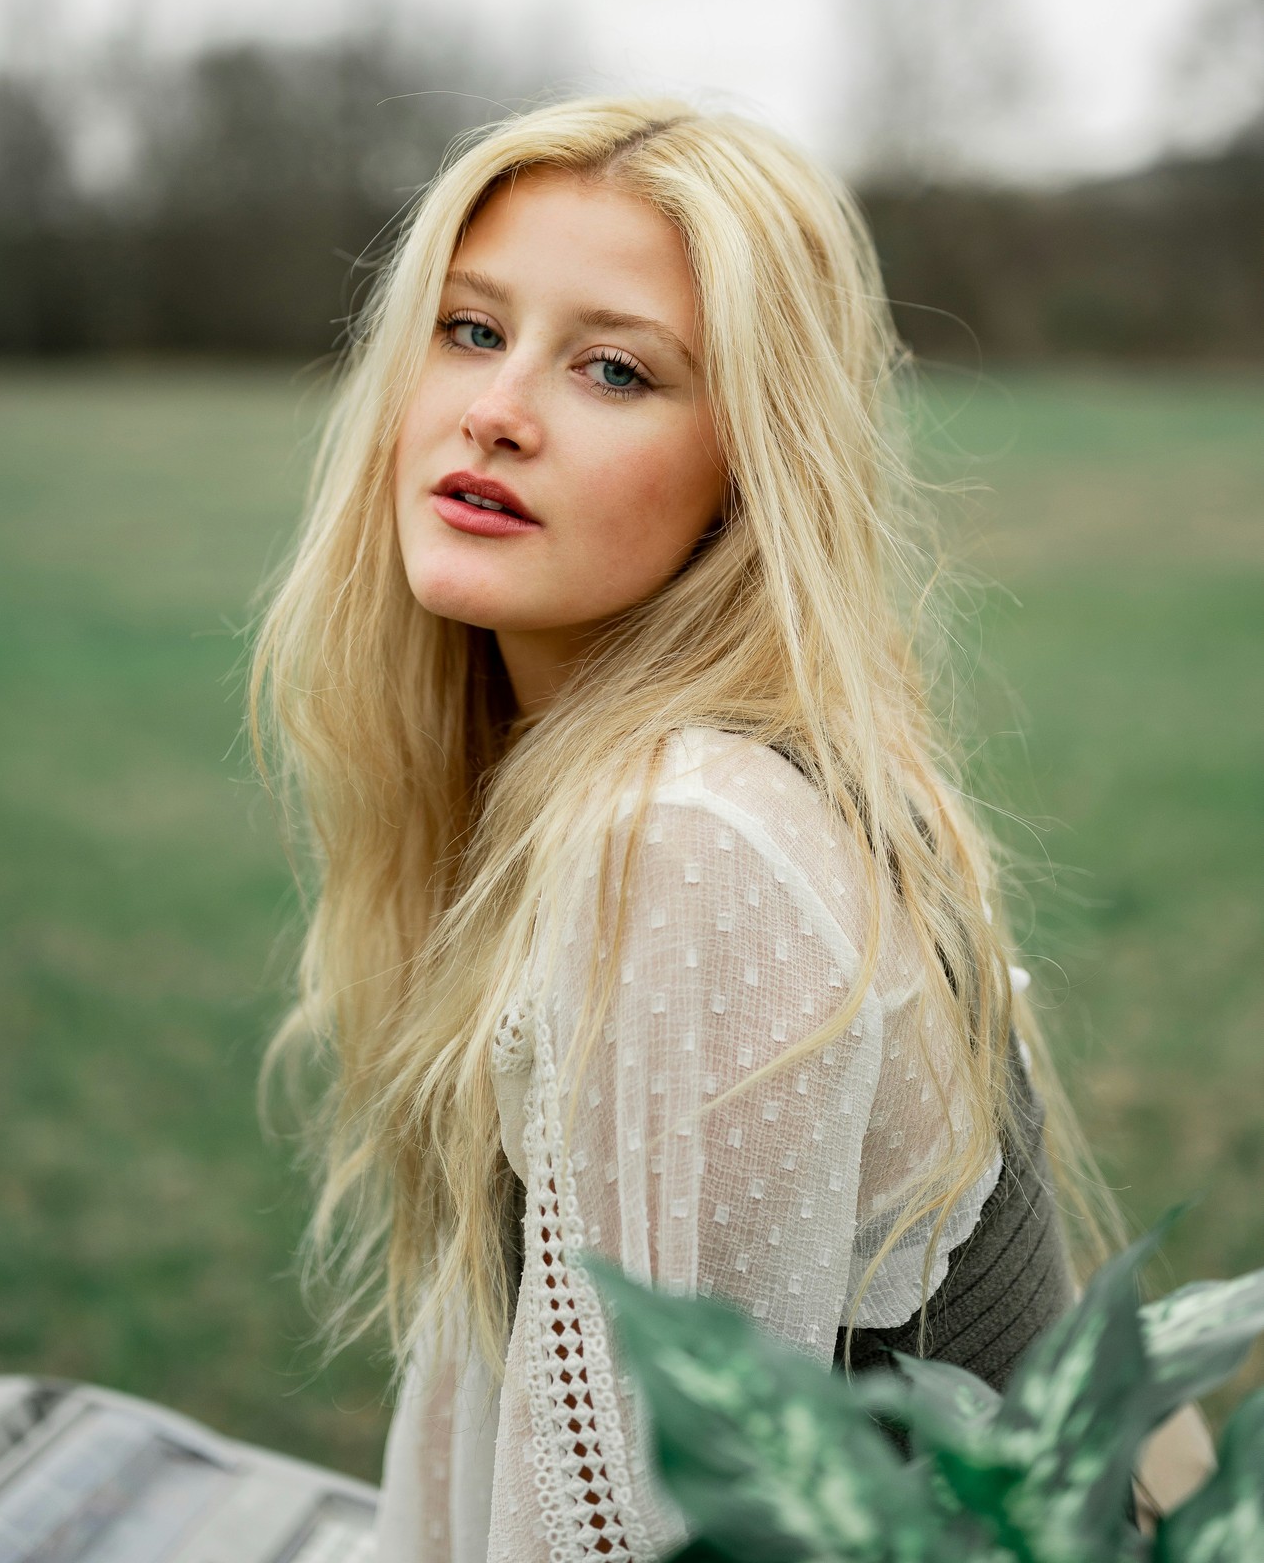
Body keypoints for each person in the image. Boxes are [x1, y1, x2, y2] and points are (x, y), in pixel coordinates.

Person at [251, 98, 1194, 1561]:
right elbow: (502, 1399)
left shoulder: (688, 838)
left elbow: (630, 1524)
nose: (495, 410)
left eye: (615, 369)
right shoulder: (630, 780)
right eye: (469, 329)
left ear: (749, 469)